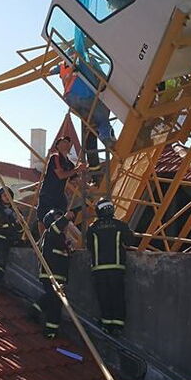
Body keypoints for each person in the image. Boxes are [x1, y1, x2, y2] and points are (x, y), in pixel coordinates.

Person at [54, 60, 115, 176]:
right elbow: (102, 74)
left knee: (89, 129)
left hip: (71, 99)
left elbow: (52, 70)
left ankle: (94, 166)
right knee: (102, 119)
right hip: (87, 95)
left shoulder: (63, 64)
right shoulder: (84, 59)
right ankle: (107, 138)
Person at [86, 197, 136, 337]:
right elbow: (130, 241)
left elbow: (89, 246)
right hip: (116, 267)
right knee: (117, 296)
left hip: (99, 268)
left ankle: (106, 325)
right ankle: (118, 326)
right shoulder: (121, 225)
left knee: (104, 297)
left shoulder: (92, 228)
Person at [32, 208, 77, 339]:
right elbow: (56, 227)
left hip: (58, 276)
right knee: (55, 302)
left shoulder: (60, 238)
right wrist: (66, 217)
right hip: (50, 274)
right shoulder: (50, 233)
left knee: (54, 300)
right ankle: (50, 330)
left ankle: (35, 311)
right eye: (57, 218)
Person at [37, 136, 84, 227]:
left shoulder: (69, 163)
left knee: (62, 217)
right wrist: (77, 169)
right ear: (57, 146)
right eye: (62, 142)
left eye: (67, 142)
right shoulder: (55, 157)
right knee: (43, 217)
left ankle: (60, 237)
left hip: (59, 194)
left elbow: (76, 179)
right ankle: (43, 239)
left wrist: (88, 186)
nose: (65, 144)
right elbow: (61, 175)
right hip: (48, 193)